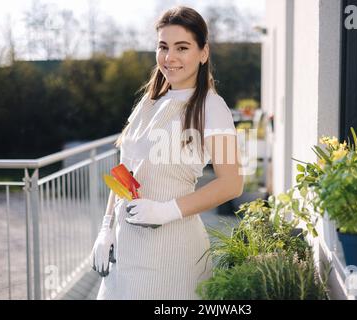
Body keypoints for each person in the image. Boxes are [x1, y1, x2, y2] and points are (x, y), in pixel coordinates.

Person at [90, 6, 244, 300]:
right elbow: (125, 170)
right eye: (163, 47)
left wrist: (165, 210)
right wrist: (106, 227)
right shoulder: (147, 103)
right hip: (126, 248)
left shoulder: (212, 108)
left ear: (203, 52)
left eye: (182, 47)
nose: (170, 57)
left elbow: (232, 183)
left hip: (172, 251)